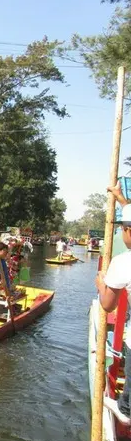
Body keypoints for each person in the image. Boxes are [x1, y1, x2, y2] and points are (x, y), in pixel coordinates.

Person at [97, 181, 131, 425]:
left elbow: (108, 305)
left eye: (122, 229)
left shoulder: (123, 262)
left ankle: (126, 409)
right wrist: (120, 199)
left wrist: (100, 282)